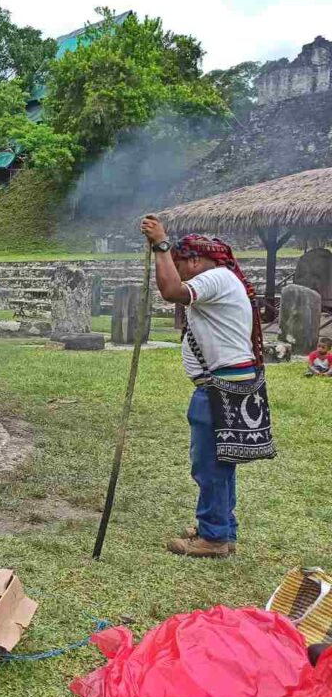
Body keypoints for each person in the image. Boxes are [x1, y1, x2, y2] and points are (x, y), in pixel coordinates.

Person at [141, 217, 275, 559]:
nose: (177, 269)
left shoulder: (213, 277)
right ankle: (220, 527)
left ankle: (214, 537)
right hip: (227, 383)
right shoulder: (222, 279)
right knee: (221, 460)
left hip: (221, 387)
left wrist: (160, 246)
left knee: (210, 464)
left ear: (196, 261)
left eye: (180, 262)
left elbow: (171, 291)